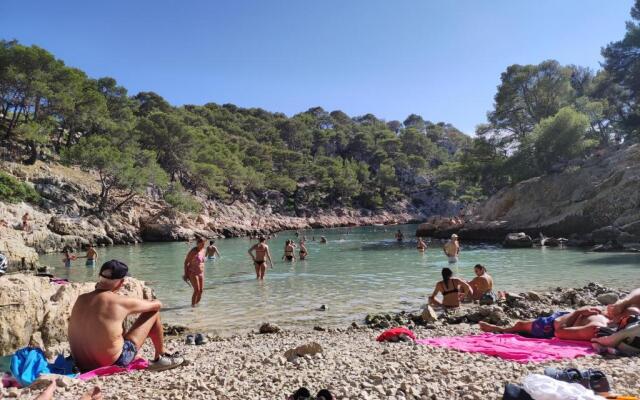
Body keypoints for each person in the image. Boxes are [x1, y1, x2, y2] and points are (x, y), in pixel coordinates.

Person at [68, 260, 183, 372]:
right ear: (121, 282)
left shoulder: (81, 298)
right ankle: (161, 354)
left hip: (80, 363)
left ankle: (160, 354)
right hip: (113, 362)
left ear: (100, 276)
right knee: (153, 313)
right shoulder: (118, 302)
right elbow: (157, 305)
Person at [478, 306, 617, 341]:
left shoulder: (595, 328)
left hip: (549, 327)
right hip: (562, 317)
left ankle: (498, 329)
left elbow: (560, 332)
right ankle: (504, 329)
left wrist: (578, 312)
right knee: (522, 326)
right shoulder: (610, 321)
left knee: (520, 325)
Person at [183, 236, 206, 307]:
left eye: (204, 244)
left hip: (201, 273)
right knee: (196, 290)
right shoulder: (193, 251)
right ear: (197, 243)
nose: (203, 245)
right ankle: (193, 307)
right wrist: (186, 274)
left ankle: (197, 305)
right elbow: (186, 262)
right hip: (193, 272)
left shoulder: (203, 250)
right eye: (201, 244)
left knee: (201, 291)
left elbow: (202, 262)